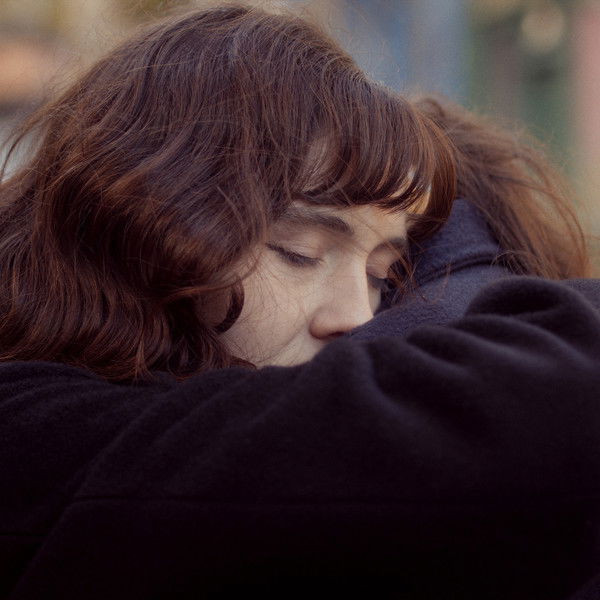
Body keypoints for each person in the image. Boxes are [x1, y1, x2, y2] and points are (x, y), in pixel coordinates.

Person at [1, 4, 599, 599]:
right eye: (300, 253)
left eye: (384, 275)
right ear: (143, 233)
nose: (358, 317)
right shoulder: (35, 434)